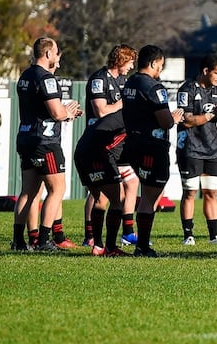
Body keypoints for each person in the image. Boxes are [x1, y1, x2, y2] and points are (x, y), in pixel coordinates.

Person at [12, 38, 82, 251]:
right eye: (57, 53)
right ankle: (43, 241)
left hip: (26, 137)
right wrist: (67, 112)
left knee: (28, 191)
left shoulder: (25, 76)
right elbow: (56, 112)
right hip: (45, 142)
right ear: (49, 53)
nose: (58, 58)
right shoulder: (46, 79)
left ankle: (19, 241)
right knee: (57, 189)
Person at [122, 45, 185, 257]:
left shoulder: (130, 82)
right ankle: (142, 246)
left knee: (148, 194)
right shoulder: (154, 87)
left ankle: (140, 242)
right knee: (150, 196)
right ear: (152, 63)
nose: (160, 70)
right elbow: (165, 121)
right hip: (151, 146)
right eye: (160, 65)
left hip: (132, 143)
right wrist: (174, 118)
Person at [75, 44, 137, 256]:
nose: (131, 67)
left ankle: (100, 244)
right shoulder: (99, 79)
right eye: (129, 62)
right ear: (121, 60)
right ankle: (105, 243)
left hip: (112, 145)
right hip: (98, 143)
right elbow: (101, 111)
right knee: (110, 198)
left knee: (107, 195)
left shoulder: (124, 81)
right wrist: (123, 104)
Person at [175, 54, 217, 246]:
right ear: (206, 71)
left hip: (212, 148)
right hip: (190, 148)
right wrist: (210, 115)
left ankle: (214, 236)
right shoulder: (187, 89)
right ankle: (188, 235)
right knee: (190, 192)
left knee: (211, 193)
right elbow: (187, 120)